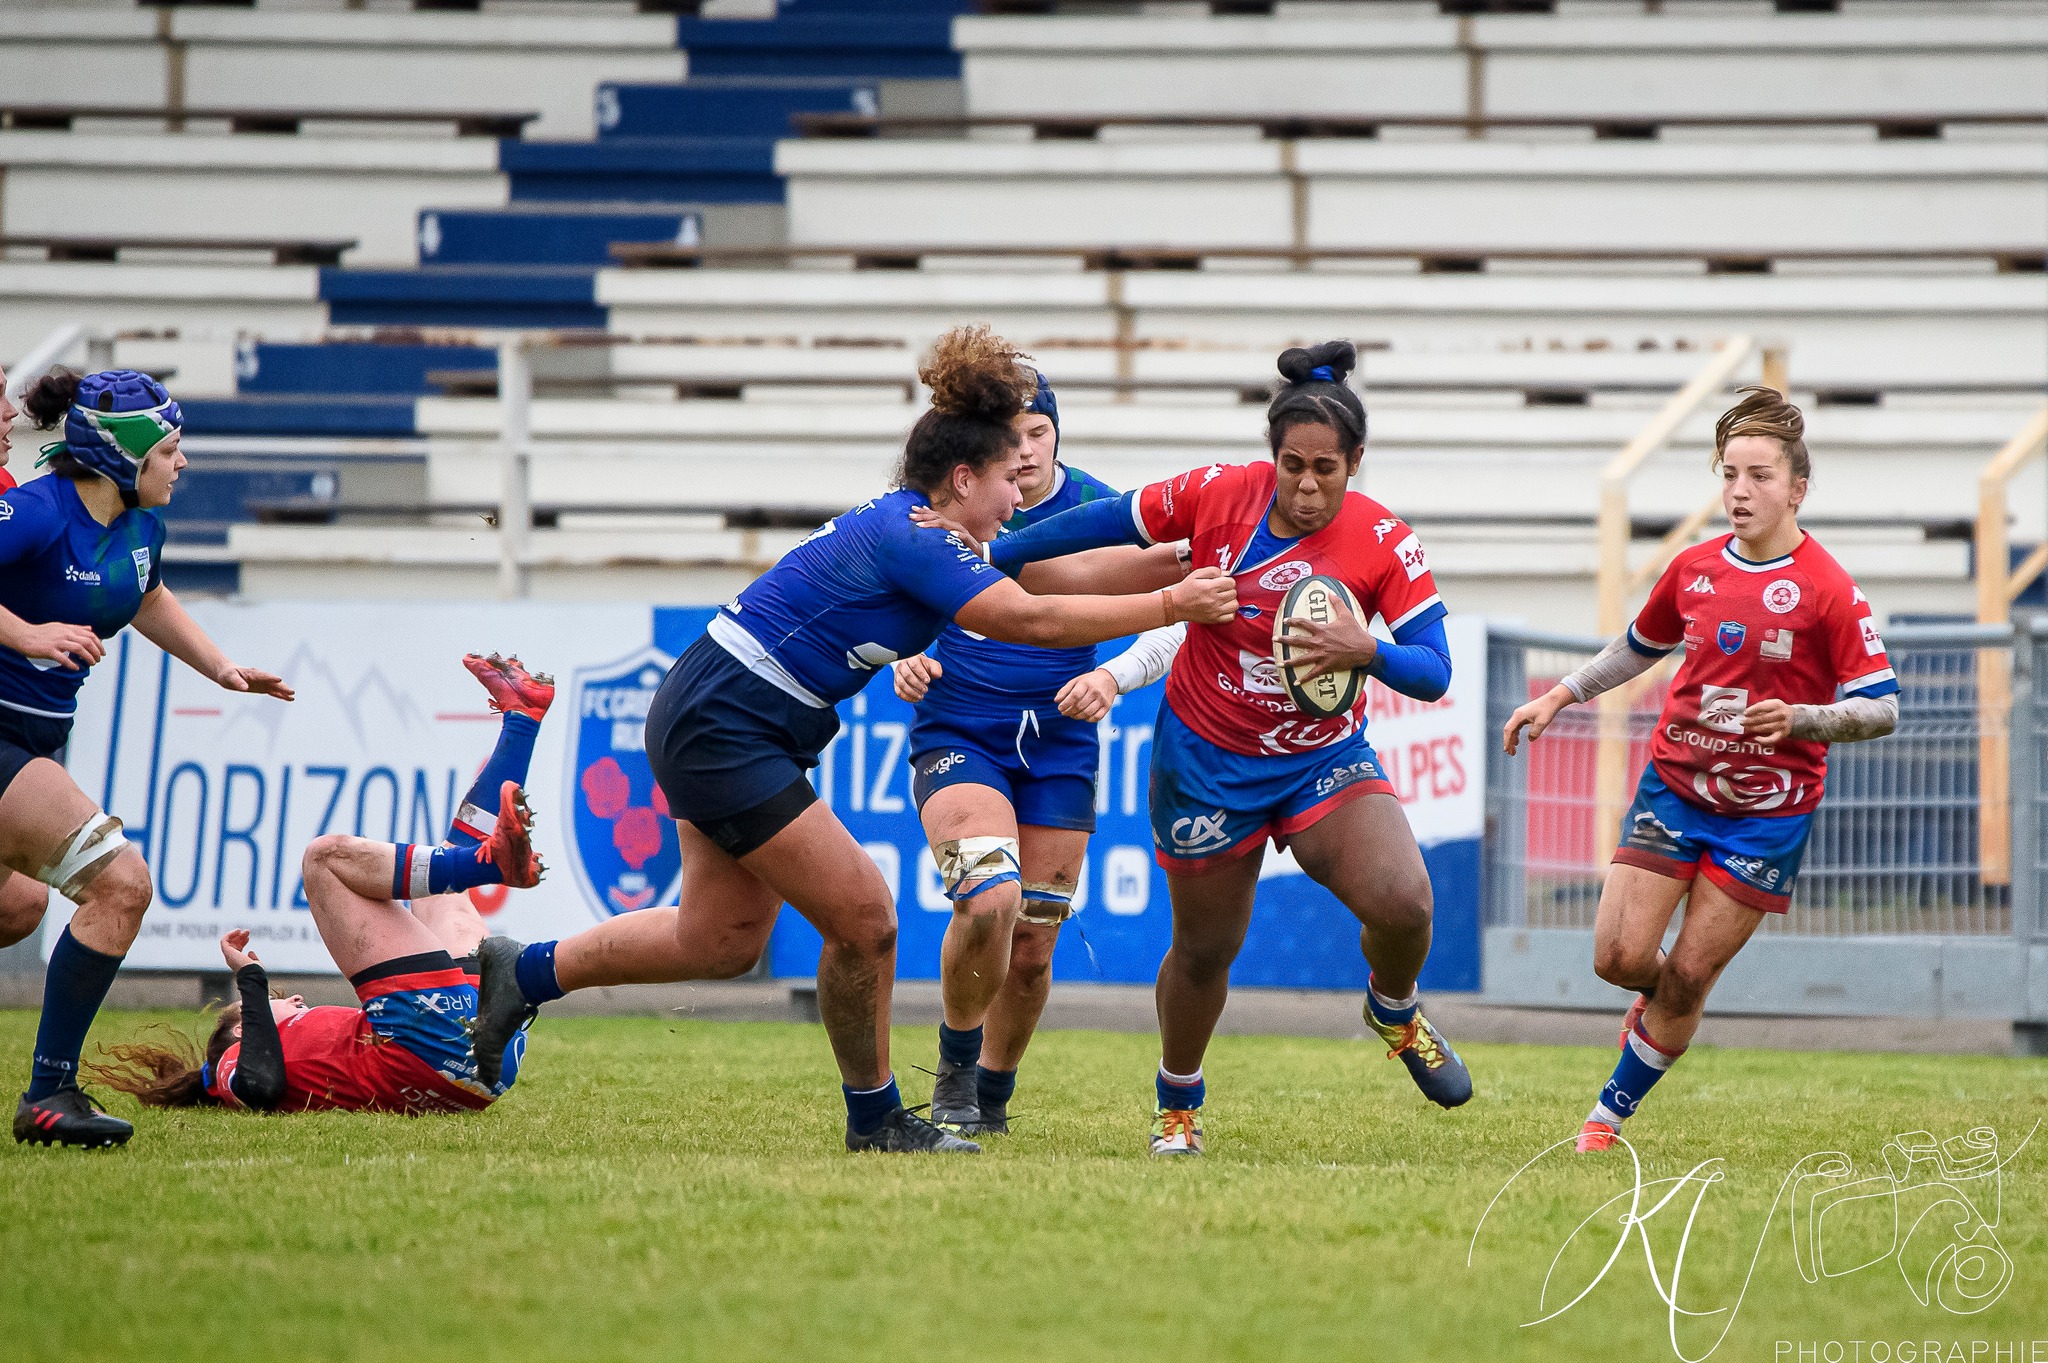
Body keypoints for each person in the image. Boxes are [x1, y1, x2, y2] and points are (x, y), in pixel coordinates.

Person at [470, 326, 1236, 1156]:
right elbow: (1034, 615)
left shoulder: (925, 525)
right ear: (963, 477)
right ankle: (876, 1118)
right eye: (1005, 485)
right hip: (730, 720)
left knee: (719, 938)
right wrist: (1173, 606)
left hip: (719, 706)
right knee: (866, 918)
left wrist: (1177, 562)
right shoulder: (922, 540)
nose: (1019, 502)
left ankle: (525, 971)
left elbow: (1048, 574)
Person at [957, 341, 1474, 1157]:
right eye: (1292, 465)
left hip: (1320, 757)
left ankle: (1394, 1006)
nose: (1306, 486)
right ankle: (1178, 1106)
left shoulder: (1384, 541)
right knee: (1207, 949)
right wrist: (999, 551)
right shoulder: (1219, 494)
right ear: (1272, 456)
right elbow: (1105, 517)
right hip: (1208, 758)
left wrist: (1363, 649)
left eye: (1327, 470)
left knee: (1406, 901)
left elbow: (1436, 670)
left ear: (1356, 463)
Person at [1501, 386, 1898, 1153]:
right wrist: (1559, 694)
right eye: (1729, 475)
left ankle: (1607, 1115)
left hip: (1769, 813)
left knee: (1690, 970)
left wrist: (1803, 718)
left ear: (1797, 490)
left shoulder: (1829, 590)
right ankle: (1662, 1007)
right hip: (1676, 789)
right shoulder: (1692, 568)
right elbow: (1637, 646)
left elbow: (1882, 707)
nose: (1739, 492)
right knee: (1618, 957)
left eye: (1759, 476)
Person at [4, 368, 295, 1149]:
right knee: (122, 884)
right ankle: (49, 1092)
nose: (183, 462)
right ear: (118, 457)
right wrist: (24, 633)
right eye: (170, 448)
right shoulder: (34, 511)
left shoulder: (140, 530)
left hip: (30, 740)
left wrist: (223, 669)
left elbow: (146, 596)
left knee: (17, 908)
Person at [889, 367, 1184, 1136]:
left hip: (1060, 742)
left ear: (1058, 433)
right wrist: (903, 657)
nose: (1020, 453)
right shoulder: (946, 504)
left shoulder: (1103, 507)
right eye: (1007, 438)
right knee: (988, 898)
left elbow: (1181, 610)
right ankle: (952, 1071)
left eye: (1036, 434)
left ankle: (990, 1096)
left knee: (1032, 947)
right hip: (960, 729)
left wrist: (1114, 678)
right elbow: (889, 591)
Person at [80, 653, 551, 1118]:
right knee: (323, 861)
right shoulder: (228, 1064)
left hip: (487, 1060)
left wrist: (263, 1002)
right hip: (429, 1050)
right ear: (242, 1032)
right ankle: (488, 864)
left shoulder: (272, 1045)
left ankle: (522, 720)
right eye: (281, 1004)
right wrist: (252, 985)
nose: (297, 1000)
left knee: (444, 883)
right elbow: (258, 1084)